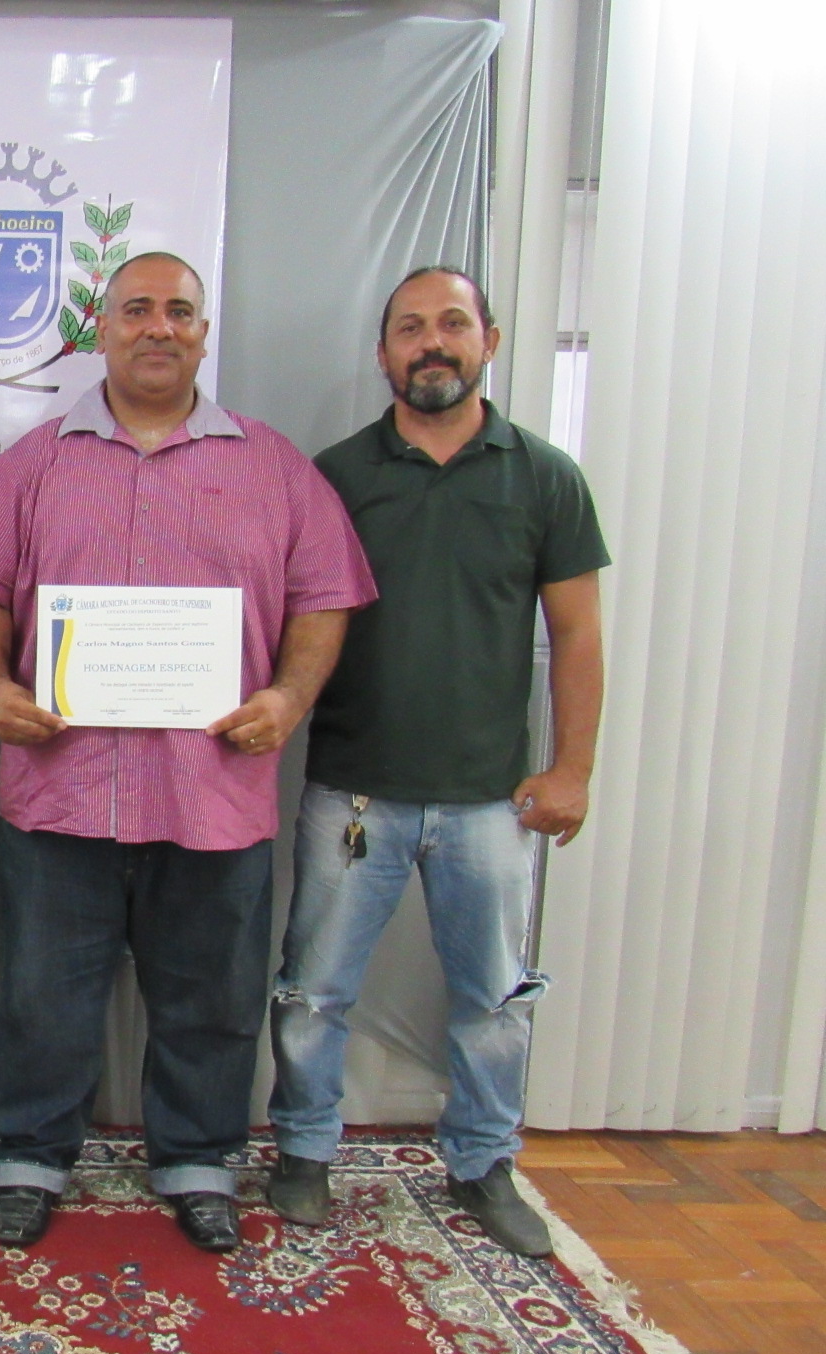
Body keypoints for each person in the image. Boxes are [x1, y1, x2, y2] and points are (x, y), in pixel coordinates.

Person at [0, 252, 377, 1253]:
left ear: (203, 334)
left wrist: (287, 697)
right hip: (63, 790)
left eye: (179, 311)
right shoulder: (35, 463)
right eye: (137, 310)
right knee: (41, 994)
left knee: (211, 997)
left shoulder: (272, 466)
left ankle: (197, 1159)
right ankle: (30, 1155)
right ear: (103, 330)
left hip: (211, 791)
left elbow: (324, 596)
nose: (158, 327)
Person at [265, 267, 608, 1258]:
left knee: (494, 1001)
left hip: (491, 800)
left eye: (452, 323)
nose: (431, 343)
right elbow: (289, 616)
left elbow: (577, 633)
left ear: (487, 340)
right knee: (312, 993)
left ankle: (483, 1161)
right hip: (352, 790)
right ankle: (303, 1149)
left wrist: (573, 770)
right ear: (382, 353)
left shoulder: (544, 476)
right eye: (410, 328)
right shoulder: (333, 476)